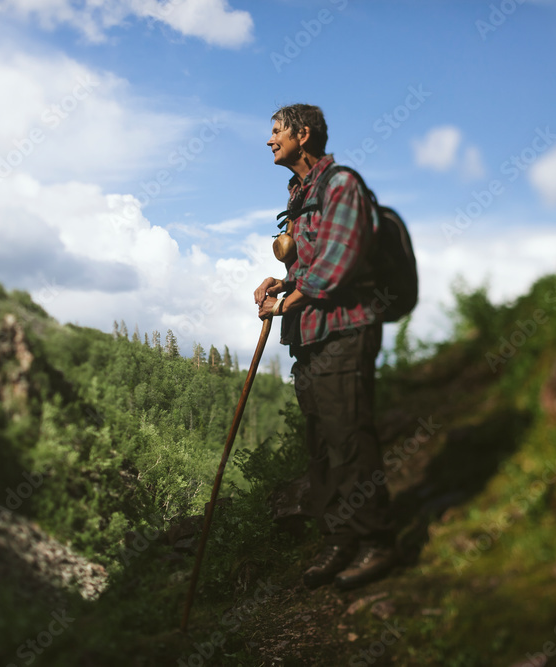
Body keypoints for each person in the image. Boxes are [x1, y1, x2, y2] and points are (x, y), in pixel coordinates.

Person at [254, 104, 396, 590]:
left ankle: (378, 542)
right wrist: (282, 282)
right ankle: (339, 541)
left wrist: (285, 302)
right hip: (310, 339)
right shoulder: (299, 195)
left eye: (277, 131)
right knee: (320, 446)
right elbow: (309, 268)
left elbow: (337, 266)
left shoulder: (341, 185)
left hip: (343, 332)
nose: (270, 140)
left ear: (303, 134)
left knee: (349, 439)